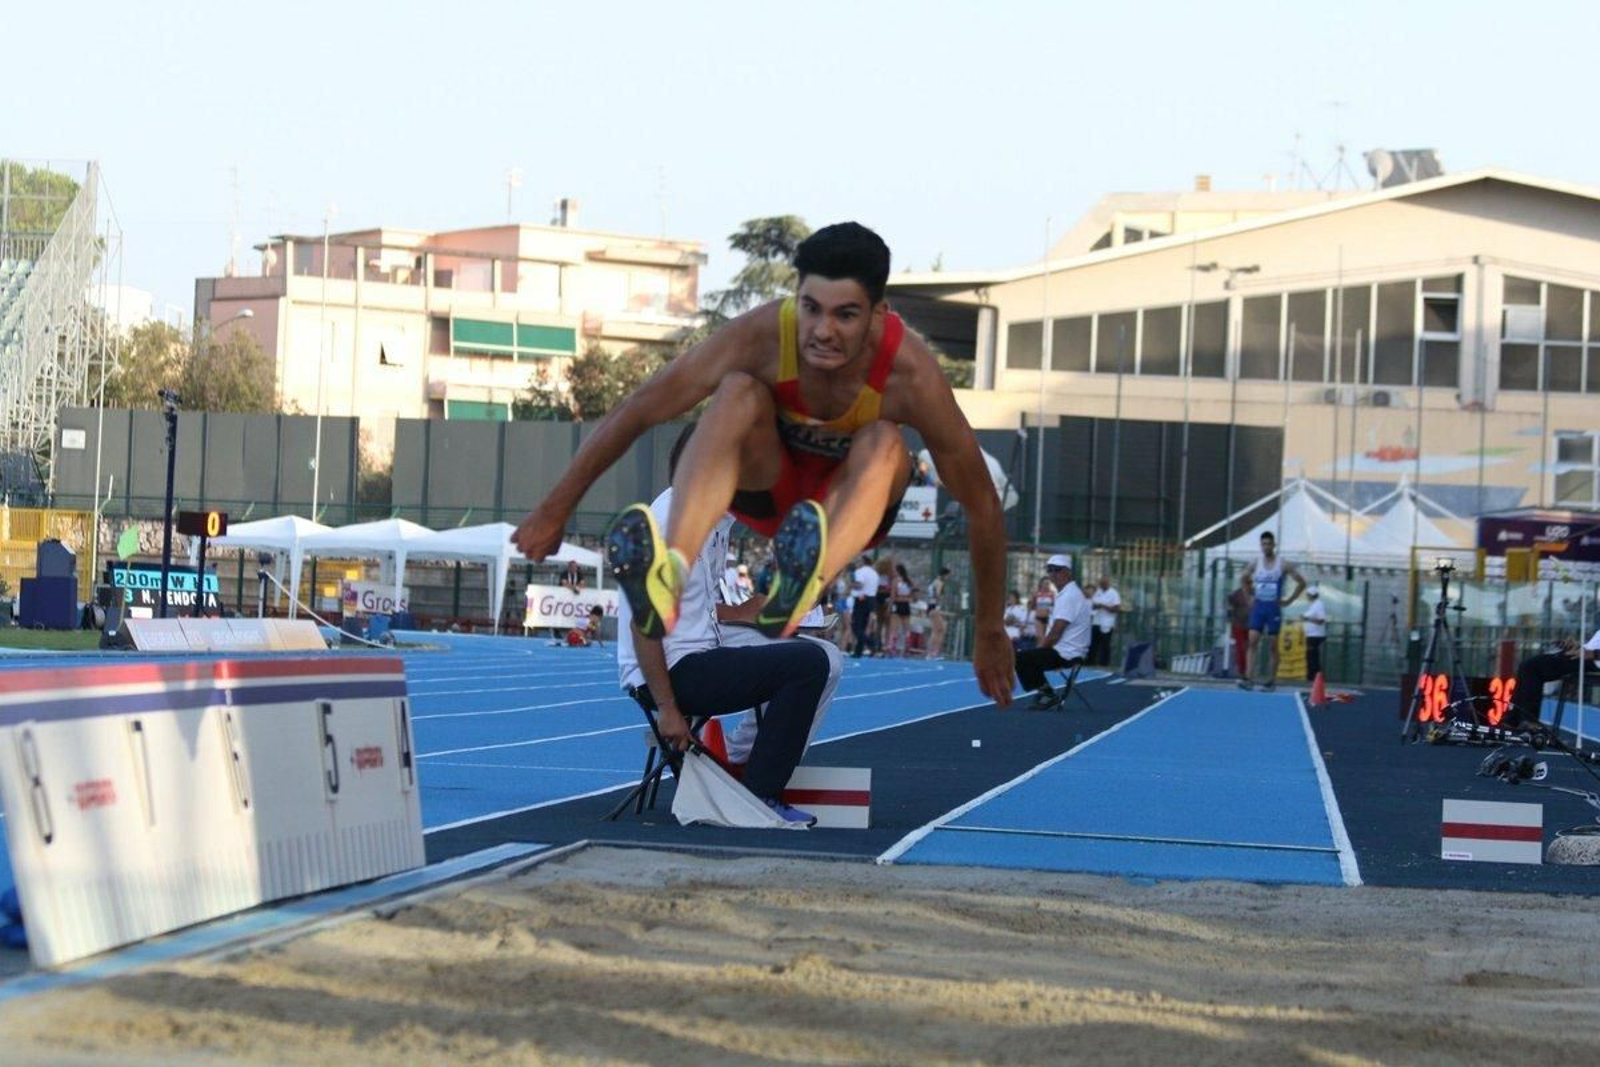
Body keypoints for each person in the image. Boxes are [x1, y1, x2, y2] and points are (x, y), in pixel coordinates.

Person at [512, 222, 1015, 707]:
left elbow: (982, 505)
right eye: (811, 309)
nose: (823, 332)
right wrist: (555, 509)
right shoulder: (762, 336)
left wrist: (991, 628)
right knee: (737, 391)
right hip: (771, 487)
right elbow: (643, 406)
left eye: (845, 315)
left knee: (885, 440)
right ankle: (673, 566)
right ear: (796, 299)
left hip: (846, 503)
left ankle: (804, 581)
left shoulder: (912, 376)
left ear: (878, 314)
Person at [616, 430, 837, 826]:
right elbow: (642, 626)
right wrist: (668, 710)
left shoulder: (716, 516)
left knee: (827, 657)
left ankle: (740, 763)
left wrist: (744, 611)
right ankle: (760, 795)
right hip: (670, 669)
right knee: (807, 664)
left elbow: (689, 605)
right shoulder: (672, 526)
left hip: (700, 646)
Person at [1015, 556, 1091, 710]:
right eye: (1050, 570)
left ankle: (1048, 694)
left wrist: (1041, 649)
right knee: (1024, 656)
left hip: (1067, 653)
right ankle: (1046, 693)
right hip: (1068, 651)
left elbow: (1056, 632)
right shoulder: (1068, 593)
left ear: (1068, 572)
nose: (1053, 574)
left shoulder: (1069, 596)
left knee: (1020, 658)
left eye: (1057, 570)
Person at [1237, 531, 1306, 692]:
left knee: (1273, 646)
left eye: (1269, 544)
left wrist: (1289, 600)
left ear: (1274, 545)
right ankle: (1249, 679)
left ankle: (1271, 680)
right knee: (1252, 641)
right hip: (1259, 607)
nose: (1266, 547)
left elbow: (1301, 582)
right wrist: (1248, 598)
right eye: (1264, 544)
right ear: (1260, 546)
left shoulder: (1283, 564)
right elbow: (1242, 578)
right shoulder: (1256, 562)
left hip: (1273, 608)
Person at [1503, 627, 1600, 730]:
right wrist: (1577, 646)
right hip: (1587, 655)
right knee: (1526, 666)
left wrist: (1593, 654)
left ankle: (1529, 723)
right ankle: (1511, 721)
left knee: (1532, 667)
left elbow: (1592, 652)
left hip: (1594, 660)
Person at [1088, 574, 1122, 668]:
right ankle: (1091, 663)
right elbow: (1092, 605)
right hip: (1096, 621)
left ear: (1108, 583)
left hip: (1107, 623)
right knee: (1093, 644)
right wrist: (1095, 606)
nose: (1102, 585)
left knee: (1105, 644)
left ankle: (1104, 664)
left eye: (1104, 583)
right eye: (1101, 583)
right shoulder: (1097, 592)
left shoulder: (1114, 593)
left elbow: (1117, 608)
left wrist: (1103, 606)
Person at [849, 555, 879, 658]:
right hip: (871, 599)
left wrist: (851, 584)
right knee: (863, 625)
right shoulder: (874, 573)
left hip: (861, 599)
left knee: (856, 626)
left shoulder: (860, 572)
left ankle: (871, 642)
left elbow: (859, 585)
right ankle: (858, 650)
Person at [1226, 573, 1255, 678]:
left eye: (1250, 582)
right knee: (1240, 648)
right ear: (1242, 583)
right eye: (1247, 583)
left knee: (1251, 647)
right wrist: (1231, 620)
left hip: (1252, 624)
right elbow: (1230, 609)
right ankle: (1241, 671)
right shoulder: (1235, 595)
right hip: (1239, 624)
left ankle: (1249, 670)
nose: (1249, 585)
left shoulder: (1254, 593)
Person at [1302, 585, 1328, 682]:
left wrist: (1307, 619)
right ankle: (1313, 676)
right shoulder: (1313, 605)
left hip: (1315, 635)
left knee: (1313, 657)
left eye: (1307, 595)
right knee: (1310, 656)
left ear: (1311, 595)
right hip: (1311, 634)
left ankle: (1314, 677)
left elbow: (1321, 620)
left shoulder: (1318, 605)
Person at [888, 563, 915, 656]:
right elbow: (913, 593)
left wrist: (890, 606)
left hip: (897, 603)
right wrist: (907, 597)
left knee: (894, 626)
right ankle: (907, 646)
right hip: (906, 603)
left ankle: (892, 647)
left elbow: (893, 595)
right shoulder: (909, 581)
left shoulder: (896, 581)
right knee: (906, 626)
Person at [926, 566, 951, 660]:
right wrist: (938, 607)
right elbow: (937, 596)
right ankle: (932, 652)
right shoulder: (940, 583)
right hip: (934, 607)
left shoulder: (934, 582)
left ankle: (934, 651)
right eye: (948, 576)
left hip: (932, 606)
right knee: (938, 630)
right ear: (945, 575)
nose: (948, 578)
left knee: (940, 629)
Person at [1032, 575, 1055, 646]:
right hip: (1038, 618)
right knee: (1040, 638)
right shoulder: (1036, 593)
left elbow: (1054, 606)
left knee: (1046, 639)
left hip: (1048, 618)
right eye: (1045, 583)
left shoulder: (1052, 594)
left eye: (1048, 583)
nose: (1046, 585)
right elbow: (1032, 606)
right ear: (1041, 584)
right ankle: (1039, 651)